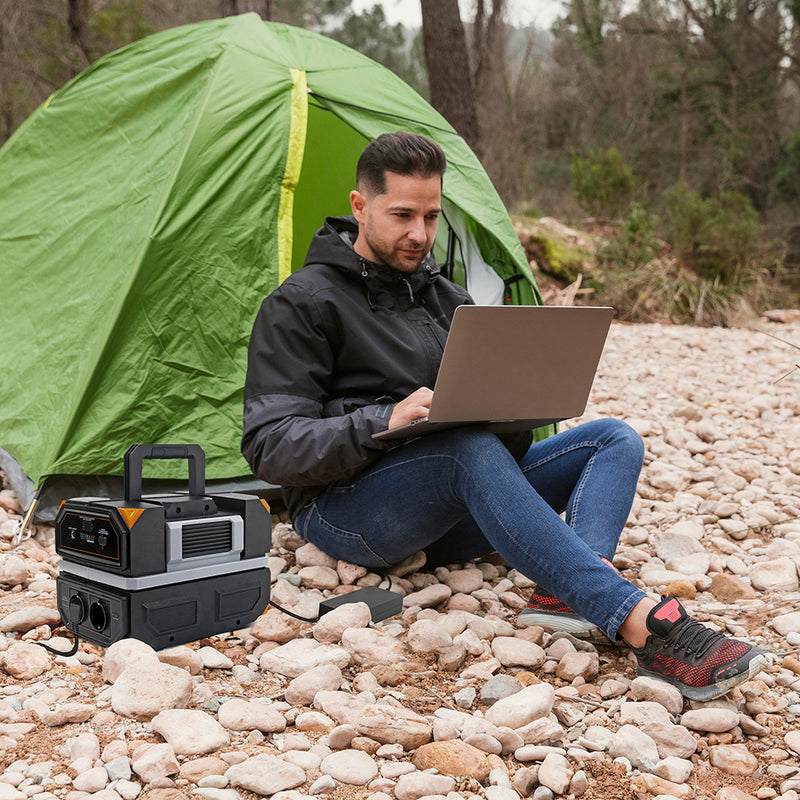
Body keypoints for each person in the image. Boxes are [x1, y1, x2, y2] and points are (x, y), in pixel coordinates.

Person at [242, 131, 765, 701]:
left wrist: (516, 404)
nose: (419, 234)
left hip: (448, 503)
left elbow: (490, 431)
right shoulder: (301, 303)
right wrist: (385, 420)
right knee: (464, 450)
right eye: (401, 215)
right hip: (345, 511)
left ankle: (567, 590)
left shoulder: (447, 298)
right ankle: (642, 623)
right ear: (359, 206)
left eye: (431, 216)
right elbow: (270, 445)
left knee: (611, 439)